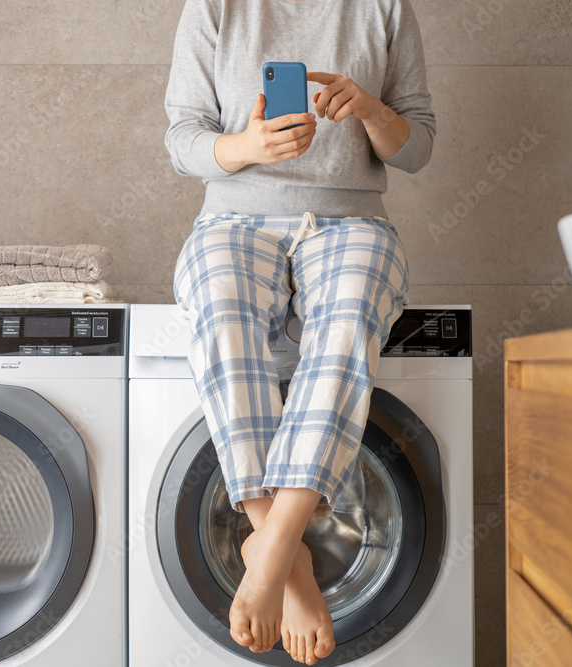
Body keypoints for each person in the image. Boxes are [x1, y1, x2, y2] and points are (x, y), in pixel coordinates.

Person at [165, 0, 435, 664]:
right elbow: (183, 139)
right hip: (232, 218)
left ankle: (273, 549)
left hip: (352, 223)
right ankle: (290, 562)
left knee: (347, 322)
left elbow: (419, 147)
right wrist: (248, 146)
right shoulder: (215, 8)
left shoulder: (384, 10)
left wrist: (370, 109)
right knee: (223, 316)